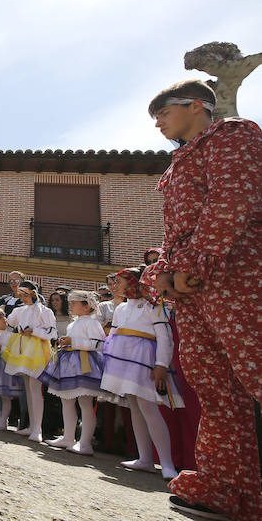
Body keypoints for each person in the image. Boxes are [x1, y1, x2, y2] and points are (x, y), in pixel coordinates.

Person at [141, 80, 261, 521]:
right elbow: (177, 233)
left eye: (163, 113)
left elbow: (232, 200)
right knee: (216, 392)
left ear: (196, 106)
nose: (158, 123)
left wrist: (192, 266)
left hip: (237, 278)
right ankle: (227, 491)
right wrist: (166, 276)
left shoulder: (233, 135)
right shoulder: (175, 166)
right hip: (192, 290)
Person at [101, 267, 182, 481]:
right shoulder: (121, 309)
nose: (115, 286)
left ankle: (166, 463)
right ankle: (145, 458)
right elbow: (115, 334)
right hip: (124, 360)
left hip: (144, 361)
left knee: (148, 407)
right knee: (134, 406)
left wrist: (161, 364)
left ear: (135, 283)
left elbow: (165, 337)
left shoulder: (155, 307)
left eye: (120, 282)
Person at [39, 290, 105, 455]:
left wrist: (73, 342)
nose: (71, 306)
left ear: (87, 306)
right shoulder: (73, 323)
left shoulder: (92, 323)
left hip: (85, 365)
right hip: (69, 363)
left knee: (85, 403)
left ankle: (85, 443)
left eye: (74, 303)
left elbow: (98, 344)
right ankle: (68, 437)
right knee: (66, 400)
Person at [1, 280, 57, 442]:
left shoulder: (45, 311)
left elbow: (52, 333)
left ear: (33, 293)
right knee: (28, 387)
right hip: (22, 349)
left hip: (37, 350)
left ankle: (37, 429)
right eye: (21, 295)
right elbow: (9, 323)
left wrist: (35, 331)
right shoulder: (20, 310)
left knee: (35, 387)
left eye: (26, 294)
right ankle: (32, 426)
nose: (23, 298)